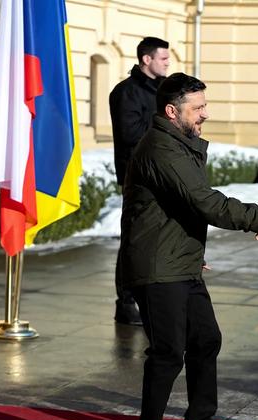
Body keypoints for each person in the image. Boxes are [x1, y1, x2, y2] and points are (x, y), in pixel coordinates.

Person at [122, 72, 258, 420]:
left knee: (205, 341)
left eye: (205, 105)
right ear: (172, 111)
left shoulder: (180, 142)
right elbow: (204, 201)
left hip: (177, 262)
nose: (205, 113)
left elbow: (178, 207)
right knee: (168, 353)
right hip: (157, 268)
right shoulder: (161, 148)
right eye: (198, 107)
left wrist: (191, 250)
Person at [109, 36, 170, 325]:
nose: (167, 63)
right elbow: (129, 135)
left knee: (161, 238)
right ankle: (126, 303)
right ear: (147, 59)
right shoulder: (126, 92)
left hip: (165, 174)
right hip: (138, 178)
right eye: (163, 59)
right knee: (134, 240)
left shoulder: (162, 91)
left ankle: (153, 297)